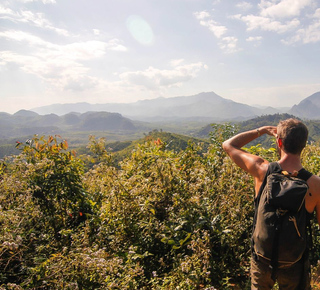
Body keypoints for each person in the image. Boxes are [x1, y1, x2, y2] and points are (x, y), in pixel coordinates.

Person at [222, 118, 320, 289]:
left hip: (262, 259)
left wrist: (261, 130)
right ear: (304, 145)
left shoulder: (262, 170)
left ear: (279, 142)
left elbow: (228, 145)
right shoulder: (315, 184)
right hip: (294, 262)